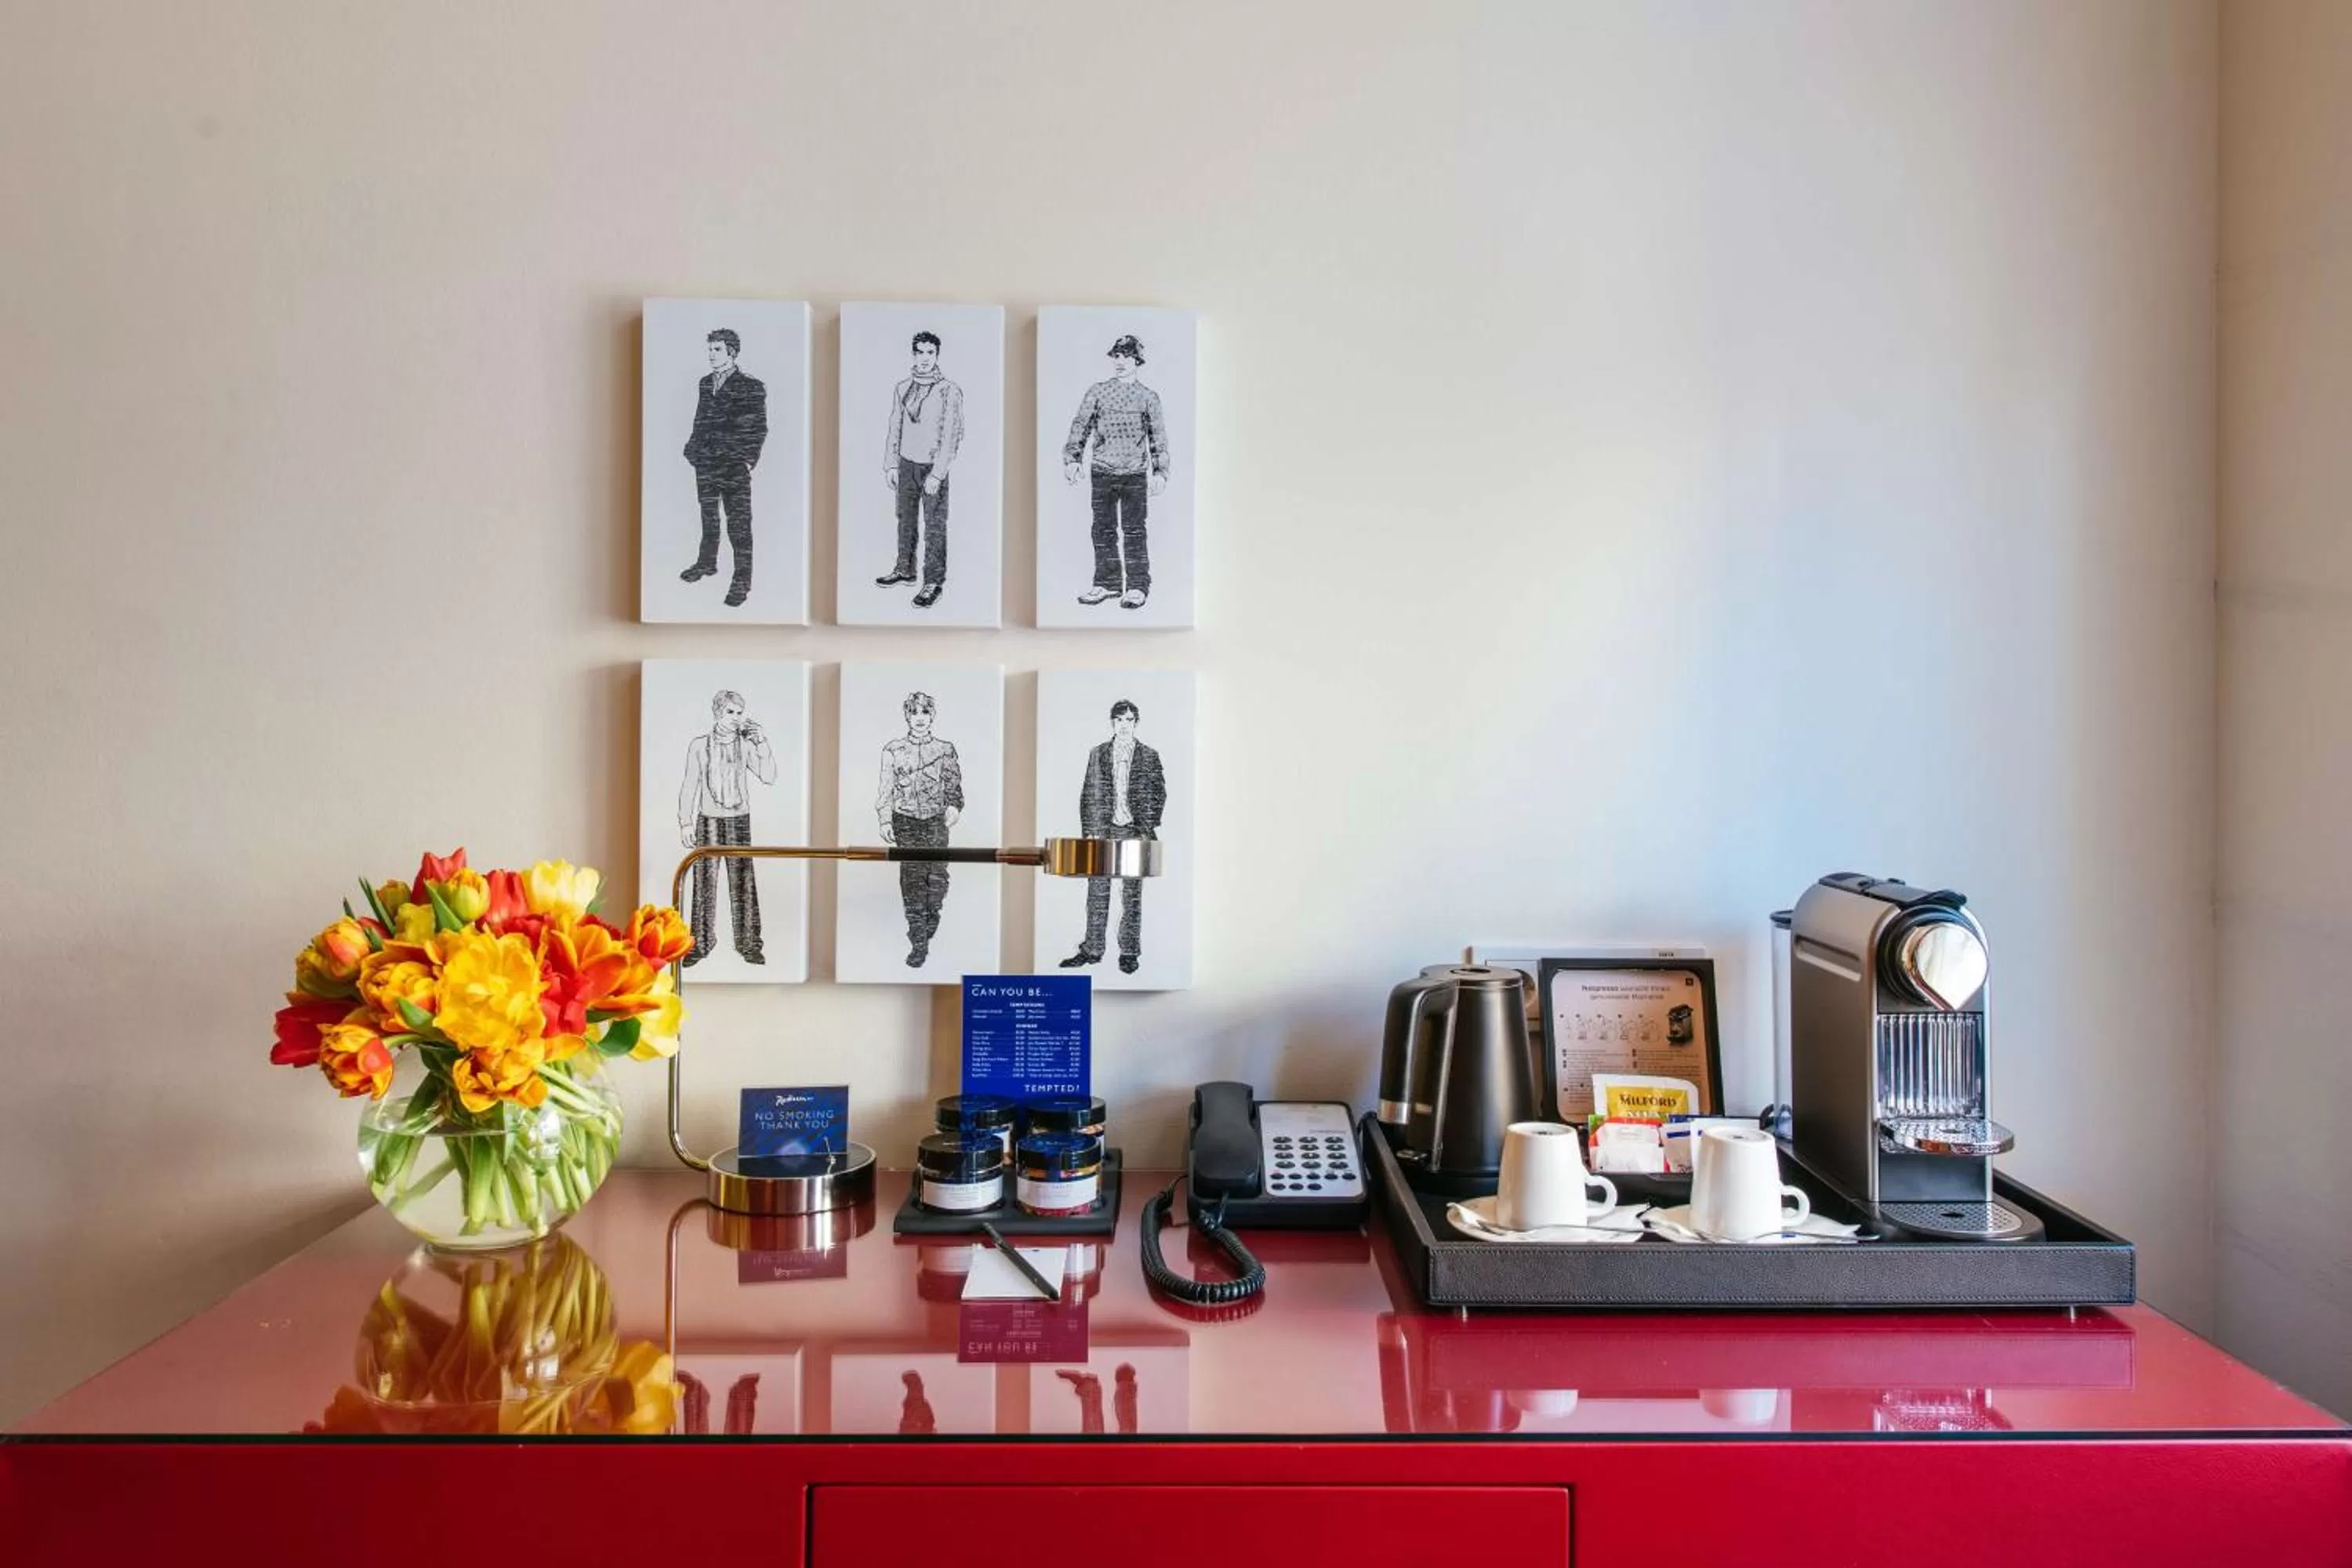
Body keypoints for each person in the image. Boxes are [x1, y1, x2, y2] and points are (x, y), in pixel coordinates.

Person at [1062, 334, 1170, 610]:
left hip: (1134, 473)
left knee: (1135, 531)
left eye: (1127, 356)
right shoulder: (1097, 392)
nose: (1121, 362)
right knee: (1102, 529)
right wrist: (1072, 459)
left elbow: (1158, 438)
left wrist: (1160, 472)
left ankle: (1137, 586)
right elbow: (1080, 426)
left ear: (1138, 360)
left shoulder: (1148, 398)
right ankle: (1107, 584)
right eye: (1117, 356)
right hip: (1102, 470)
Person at [1060, 699, 1164, 975]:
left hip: (1134, 830)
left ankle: (1129, 952)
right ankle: (1092, 950)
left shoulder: (1149, 756)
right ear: (1113, 723)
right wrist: (1091, 830)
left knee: (1131, 895)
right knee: (1097, 891)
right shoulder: (1098, 753)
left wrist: (1146, 826)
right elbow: (1089, 793)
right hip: (1103, 831)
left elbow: (1159, 793)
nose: (1125, 725)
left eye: (1130, 720)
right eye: (1120, 720)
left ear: (1136, 723)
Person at [678, 689, 776, 966]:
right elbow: (689, 785)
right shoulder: (699, 745)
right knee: (703, 883)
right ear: (718, 713)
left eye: (739, 712)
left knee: (743, 881)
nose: (735, 718)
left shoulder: (745, 744)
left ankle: (749, 944)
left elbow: (769, 776)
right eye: (730, 712)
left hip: (738, 820)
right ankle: (699, 944)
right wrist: (686, 823)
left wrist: (762, 743)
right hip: (707, 820)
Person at [680, 328, 768, 608]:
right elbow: (700, 420)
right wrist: (692, 449)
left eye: (716, 349)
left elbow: (758, 428)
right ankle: (707, 563)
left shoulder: (751, 386)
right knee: (709, 518)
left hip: (733, 465)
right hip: (705, 461)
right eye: (709, 349)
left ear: (732, 351)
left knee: (739, 525)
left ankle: (742, 581)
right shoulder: (705, 383)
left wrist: (746, 460)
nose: (710, 354)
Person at [877, 330, 965, 609]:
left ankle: (933, 581)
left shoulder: (949, 390)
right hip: (905, 464)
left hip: (932, 467)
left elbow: (952, 435)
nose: (925, 358)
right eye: (920, 352)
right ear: (913, 354)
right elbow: (895, 427)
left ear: (937, 356)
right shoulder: (903, 388)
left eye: (930, 353)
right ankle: (905, 569)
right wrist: (891, 463)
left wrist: (938, 473)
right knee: (905, 519)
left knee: (935, 526)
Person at [877, 691, 963, 967]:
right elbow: (885, 788)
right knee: (912, 881)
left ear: (932, 716)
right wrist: (884, 819)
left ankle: (929, 926)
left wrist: (954, 806)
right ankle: (918, 943)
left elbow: (953, 784)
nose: (920, 718)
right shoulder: (893, 749)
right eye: (914, 713)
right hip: (905, 820)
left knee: (937, 880)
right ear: (907, 716)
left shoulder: (945, 748)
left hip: (936, 820)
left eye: (925, 712)